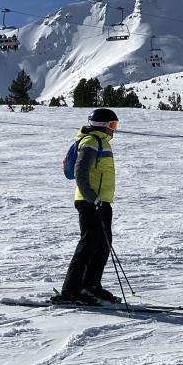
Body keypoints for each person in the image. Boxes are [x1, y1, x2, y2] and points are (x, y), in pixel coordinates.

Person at [56, 108, 120, 305]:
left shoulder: (101, 142)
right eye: (112, 125)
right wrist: (93, 199)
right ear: (102, 125)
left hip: (101, 201)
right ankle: (71, 290)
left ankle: (91, 285)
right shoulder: (91, 141)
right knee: (89, 243)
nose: (114, 129)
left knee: (103, 245)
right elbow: (81, 174)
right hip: (90, 201)